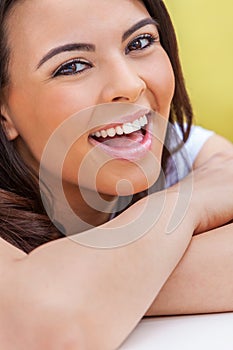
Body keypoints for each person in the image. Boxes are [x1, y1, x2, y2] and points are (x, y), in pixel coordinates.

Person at [0, 0, 232, 349]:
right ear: (4, 113)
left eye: (139, 43)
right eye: (73, 66)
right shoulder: (203, 179)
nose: (129, 84)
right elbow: (41, 327)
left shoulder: (184, 151)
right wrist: (187, 203)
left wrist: (86, 290)